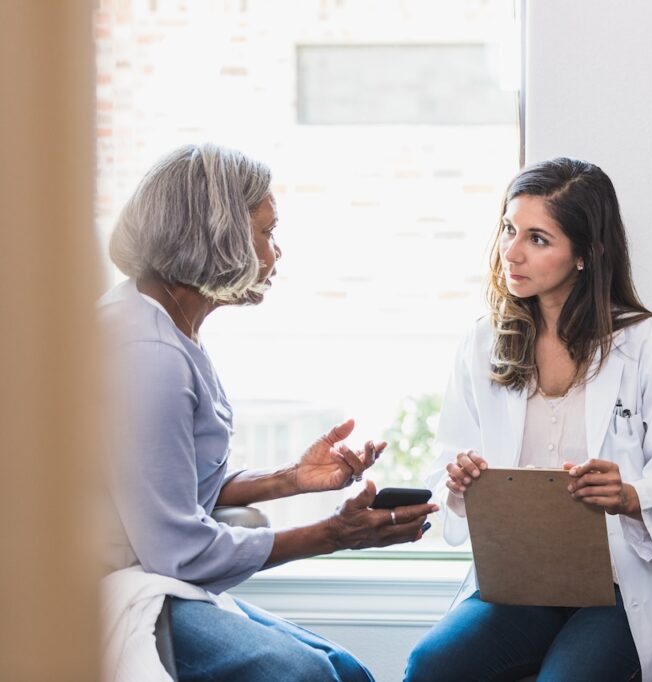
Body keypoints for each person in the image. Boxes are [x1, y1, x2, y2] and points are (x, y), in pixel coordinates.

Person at [101, 143, 437, 682]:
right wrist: (335, 535)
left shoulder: (168, 326)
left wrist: (289, 480)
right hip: (111, 589)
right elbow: (178, 552)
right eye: (267, 232)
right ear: (218, 235)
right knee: (308, 675)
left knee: (346, 671)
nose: (276, 252)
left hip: (149, 572)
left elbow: (162, 488)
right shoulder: (149, 354)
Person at [405, 158, 652, 681]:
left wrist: (629, 496)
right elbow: (445, 475)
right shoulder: (483, 342)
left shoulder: (646, 346)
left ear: (587, 254)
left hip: (619, 587)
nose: (512, 251)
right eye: (508, 229)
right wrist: (459, 484)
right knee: (431, 665)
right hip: (519, 583)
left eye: (538, 239)